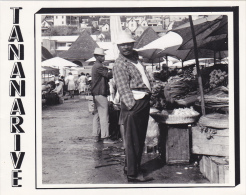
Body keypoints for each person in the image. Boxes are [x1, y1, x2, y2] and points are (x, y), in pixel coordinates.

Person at [113, 31, 153, 182]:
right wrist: (132, 106)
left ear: (133, 44)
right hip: (134, 102)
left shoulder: (136, 59)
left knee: (139, 138)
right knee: (132, 140)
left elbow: (145, 77)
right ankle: (133, 174)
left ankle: (132, 166)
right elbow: (123, 87)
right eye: (122, 45)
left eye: (128, 44)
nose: (126, 47)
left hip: (143, 100)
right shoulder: (120, 64)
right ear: (118, 46)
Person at [91, 48, 114, 144]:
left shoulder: (95, 66)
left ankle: (96, 135)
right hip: (100, 92)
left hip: (96, 93)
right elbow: (108, 75)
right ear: (96, 57)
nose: (103, 57)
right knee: (104, 115)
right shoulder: (99, 66)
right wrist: (115, 68)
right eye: (101, 56)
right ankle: (105, 137)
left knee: (97, 115)